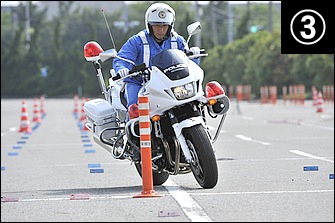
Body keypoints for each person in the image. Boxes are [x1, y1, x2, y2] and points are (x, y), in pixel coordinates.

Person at [112, 2, 201, 117]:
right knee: (135, 111)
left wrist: (194, 54)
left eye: (165, 26)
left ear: (170, 26)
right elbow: (122, 58)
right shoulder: (137, 40)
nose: (161, 30)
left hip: (170, 84)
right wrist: (122, 68)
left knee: (196, 101)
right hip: (140, 83)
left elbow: (188, 63)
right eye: (157, 26)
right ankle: (134, 133)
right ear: (149, 25)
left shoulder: (177, 40)